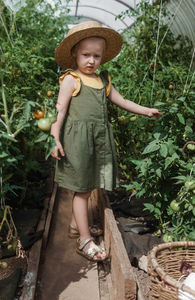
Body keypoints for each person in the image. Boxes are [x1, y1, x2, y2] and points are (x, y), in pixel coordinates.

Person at [50, 21, 162, 262]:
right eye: (86, 55)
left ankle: (74, 226)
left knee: (89, 186)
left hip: (99, 139)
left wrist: (145, 110)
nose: (91, 60)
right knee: (81, 191)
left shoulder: (102, 80)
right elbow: (58, 112)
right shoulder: (71, 79)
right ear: (74, 55)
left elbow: (122, 101)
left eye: (96, 56)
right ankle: (84, 239)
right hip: (78, 141)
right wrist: (55, 138)